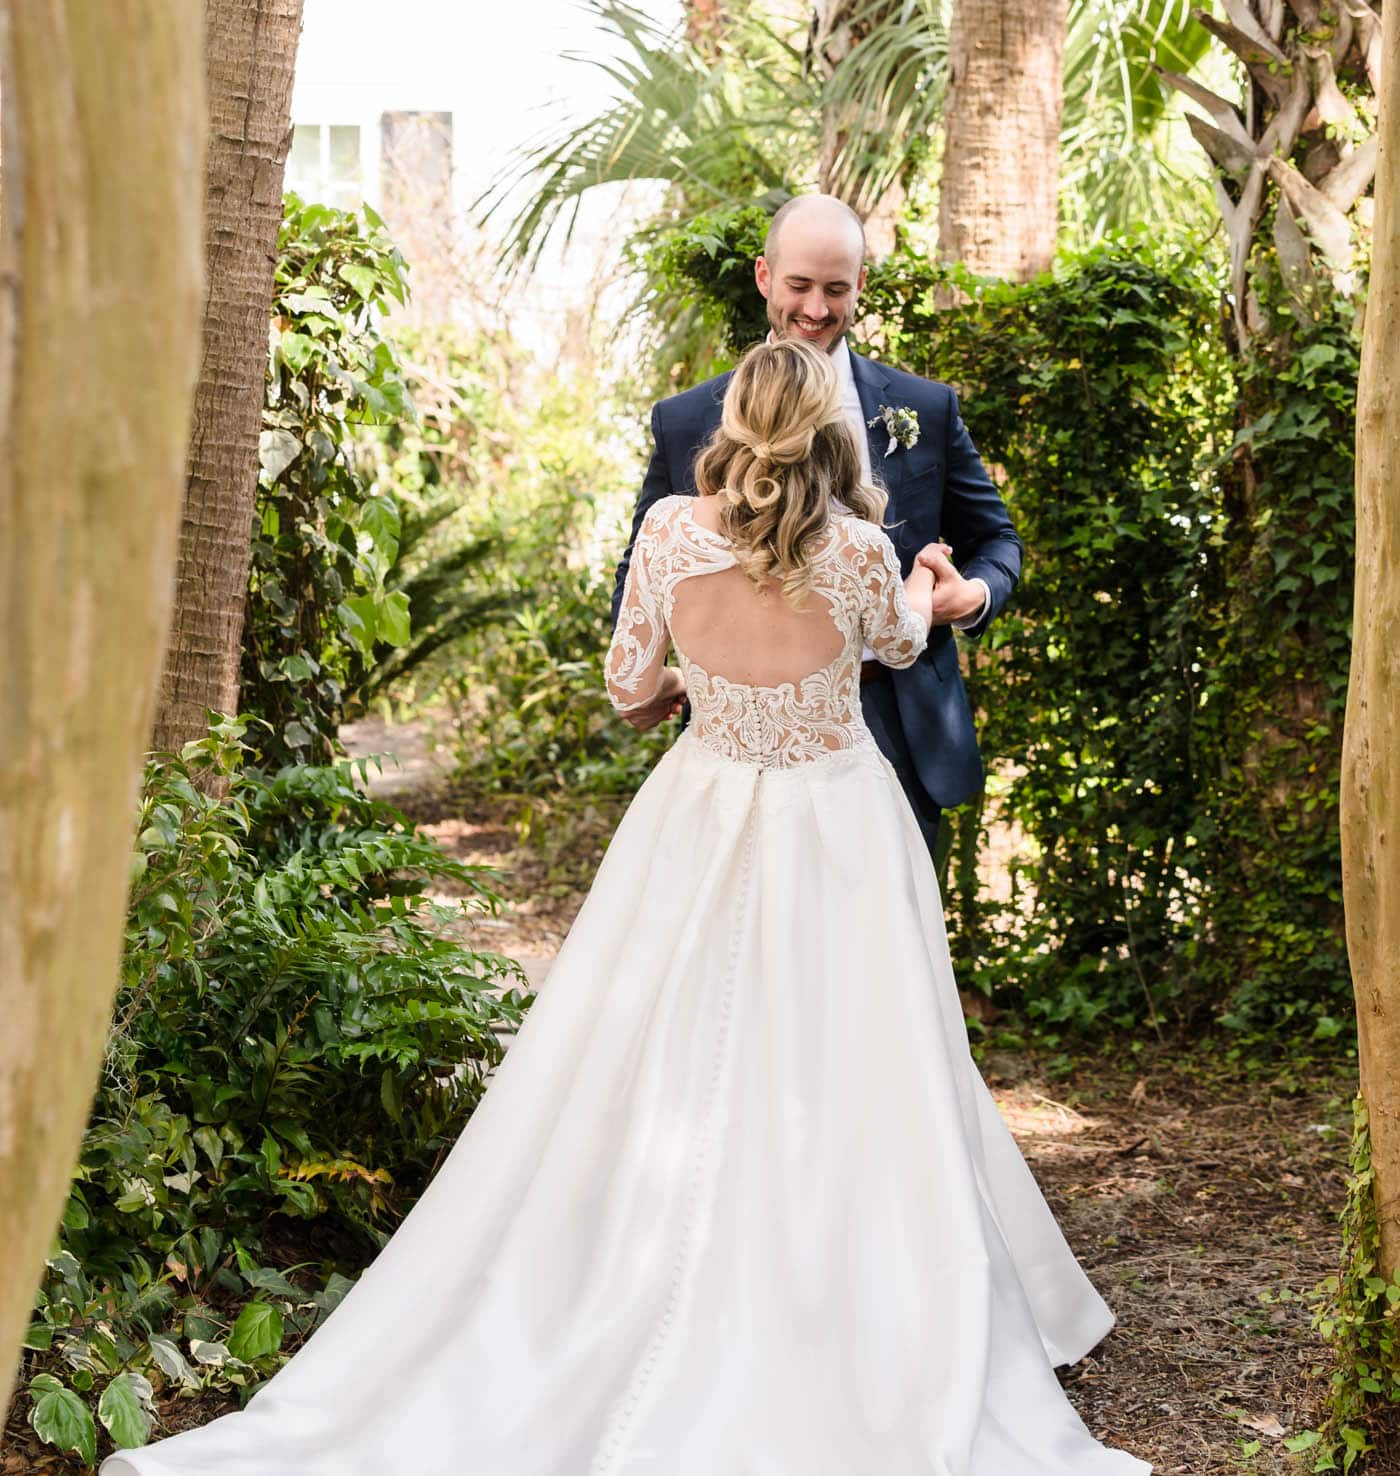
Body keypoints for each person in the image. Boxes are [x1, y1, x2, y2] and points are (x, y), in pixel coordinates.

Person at [104, 338, 1146, 1476]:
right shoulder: (855, 549)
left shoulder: (665, 530)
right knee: (849, 1058)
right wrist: (919, 579)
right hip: (835, 822)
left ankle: (616, 1273)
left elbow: (624, 685)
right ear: (829, 431)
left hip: (697, 809)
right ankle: (849, 1290)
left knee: (651, 1047)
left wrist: (703, 677)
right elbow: (899, 643)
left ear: (735, 424)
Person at [612, 191, 1021, 860]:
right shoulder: (687, 417)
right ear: (764, 276)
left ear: (861, 284)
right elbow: (646, 565)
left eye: (836, 289)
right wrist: (654, 674)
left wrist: (972, 596)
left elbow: (998, 540)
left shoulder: (924, 407)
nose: (816, 308)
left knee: (884, 946)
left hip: (896, 721)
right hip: (745, 746)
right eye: (799, 285)